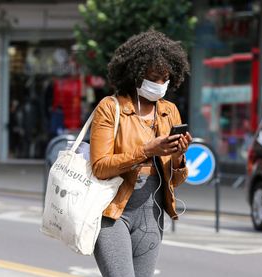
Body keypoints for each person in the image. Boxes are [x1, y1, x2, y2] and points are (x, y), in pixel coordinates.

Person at [90, 30, 192, 277]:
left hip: (152, 216)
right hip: (112, 213)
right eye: (153, 78)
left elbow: (174, 181)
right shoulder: (111, 108)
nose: (160, 85)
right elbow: (100, 166)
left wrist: (178, 157)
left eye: (165, 79)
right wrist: (147, 150)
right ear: (135, 74)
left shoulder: (169, 112)